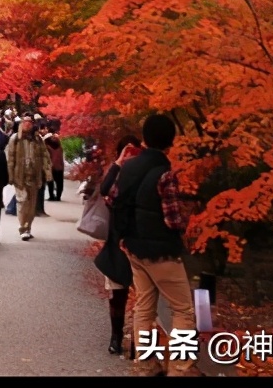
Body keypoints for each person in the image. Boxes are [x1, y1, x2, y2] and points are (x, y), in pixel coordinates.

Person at [112, 114, 197, 376]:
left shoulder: (128, 167)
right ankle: (180, 369)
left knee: (144, 306)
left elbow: (113, 199)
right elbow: (172, 220)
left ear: (146, 138)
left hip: (133, 248)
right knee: (183, 309)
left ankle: (146, 364)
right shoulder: (165, 174)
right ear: (170, 141)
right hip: (161, 251)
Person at [86, 135, 142, 355]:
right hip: (116, 241)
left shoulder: (144, 175)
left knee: (144, 297)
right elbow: (105, 189)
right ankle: (116, 337)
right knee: (118, 293)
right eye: (126, 152)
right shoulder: (116, 174)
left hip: (137, 241)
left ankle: (138, 342)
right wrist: (118, 164)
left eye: (135, 152)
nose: (131, 156)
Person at [6, 117, 50, 240]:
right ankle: (22, 228)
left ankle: (28, 227)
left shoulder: (37, 139)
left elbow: (44, 156)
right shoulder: (15, 139)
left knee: (31, 204)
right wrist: (10, 176)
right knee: (22, 201)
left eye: (30, 122)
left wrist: (47, 173)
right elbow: (10, 158)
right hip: (20, 175)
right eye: (25, 121)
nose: (27, 124)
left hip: (34, 175)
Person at [44, 127, 65, 201]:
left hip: (51, 166)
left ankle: (51, 196)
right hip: (59, 166)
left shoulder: (47, 147)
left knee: (50, 182)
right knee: (59, 183)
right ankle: (58, 196)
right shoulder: (60, 147)